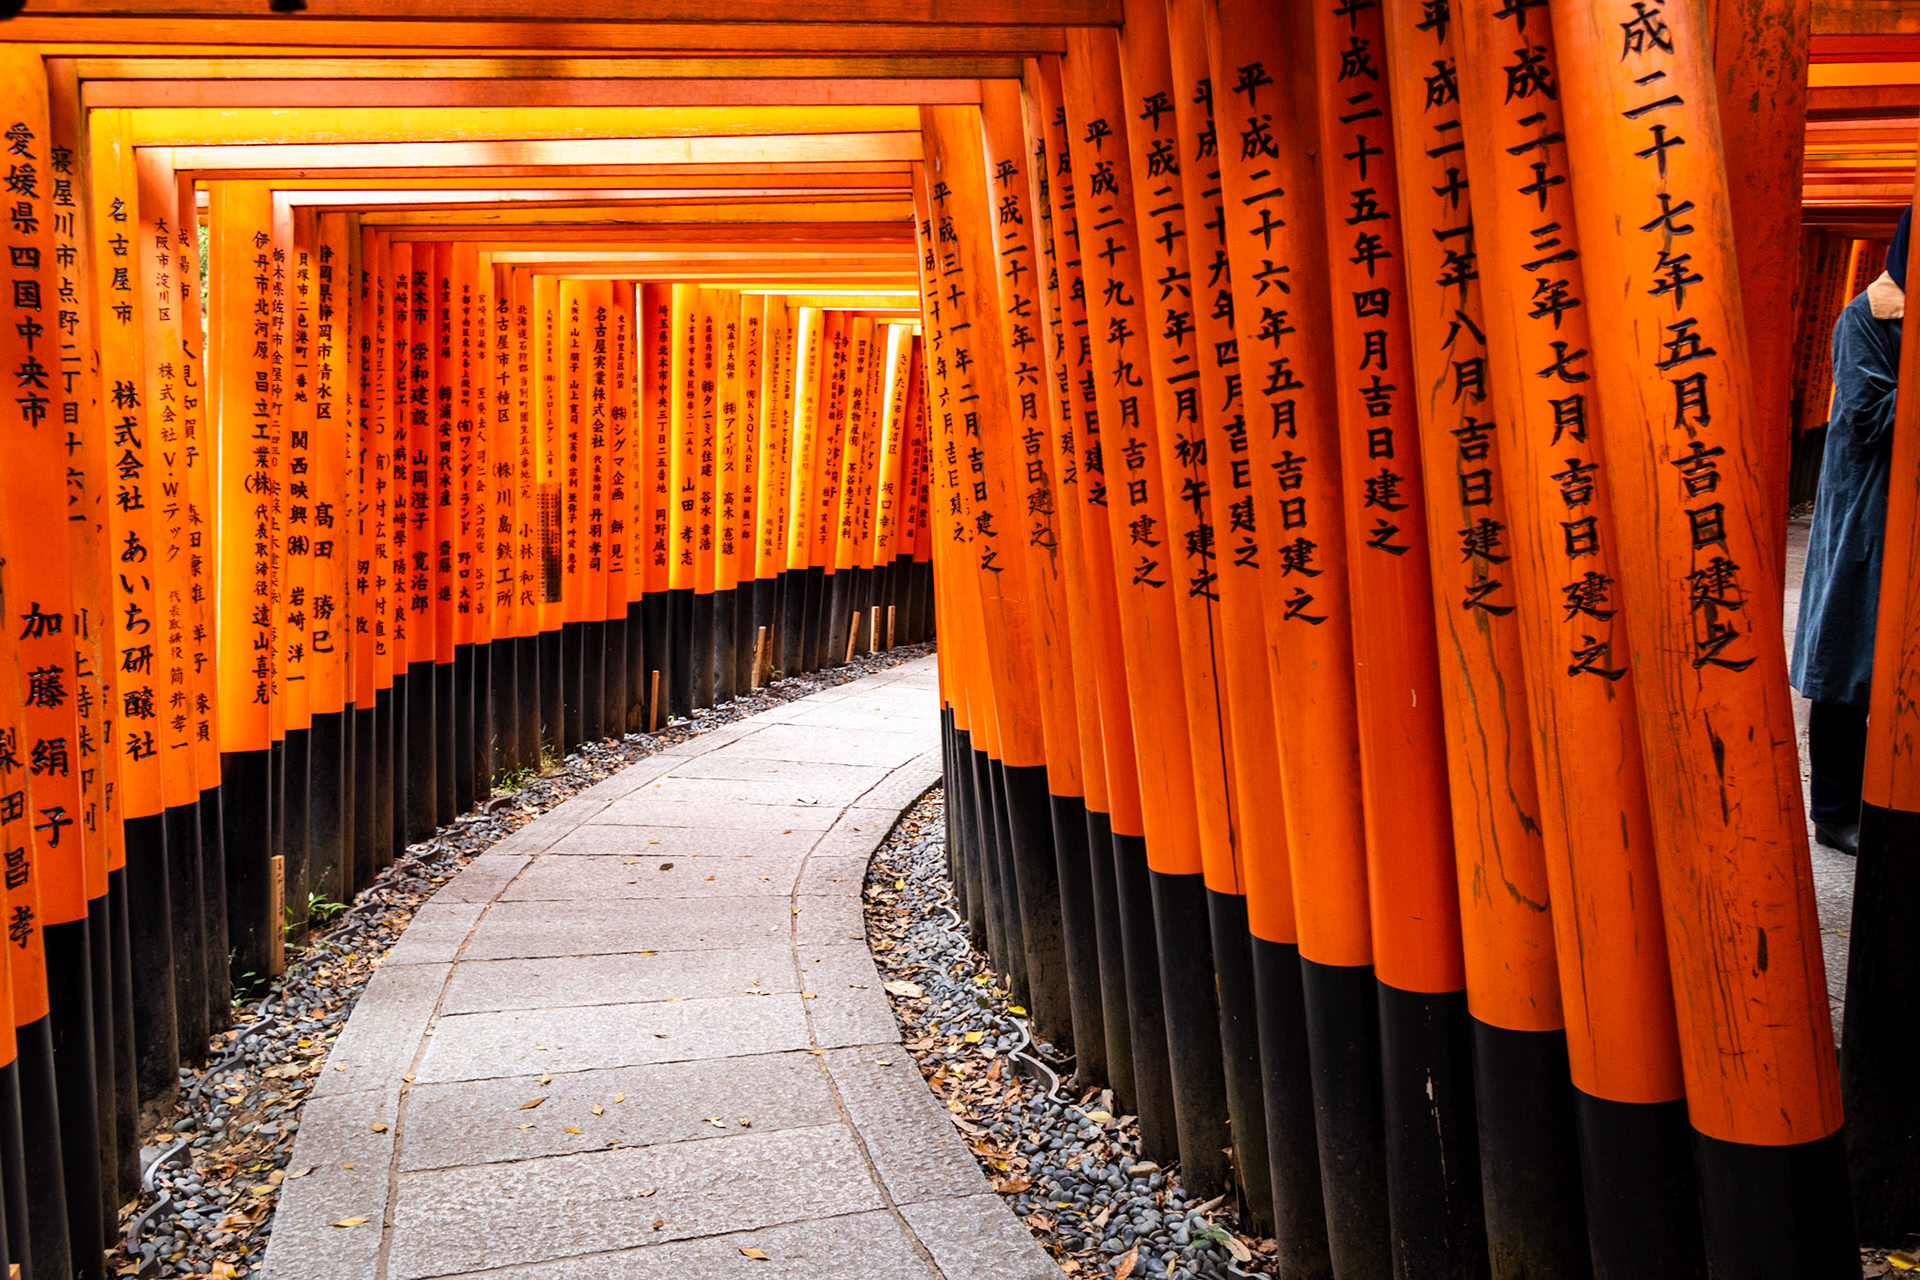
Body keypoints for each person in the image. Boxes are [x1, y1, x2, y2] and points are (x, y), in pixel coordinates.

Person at [1791, 207, 1908, 857]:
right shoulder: (1866, 317)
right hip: (1867, 512)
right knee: (1847, 667)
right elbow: (1873, 416)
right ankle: (1833, 810)